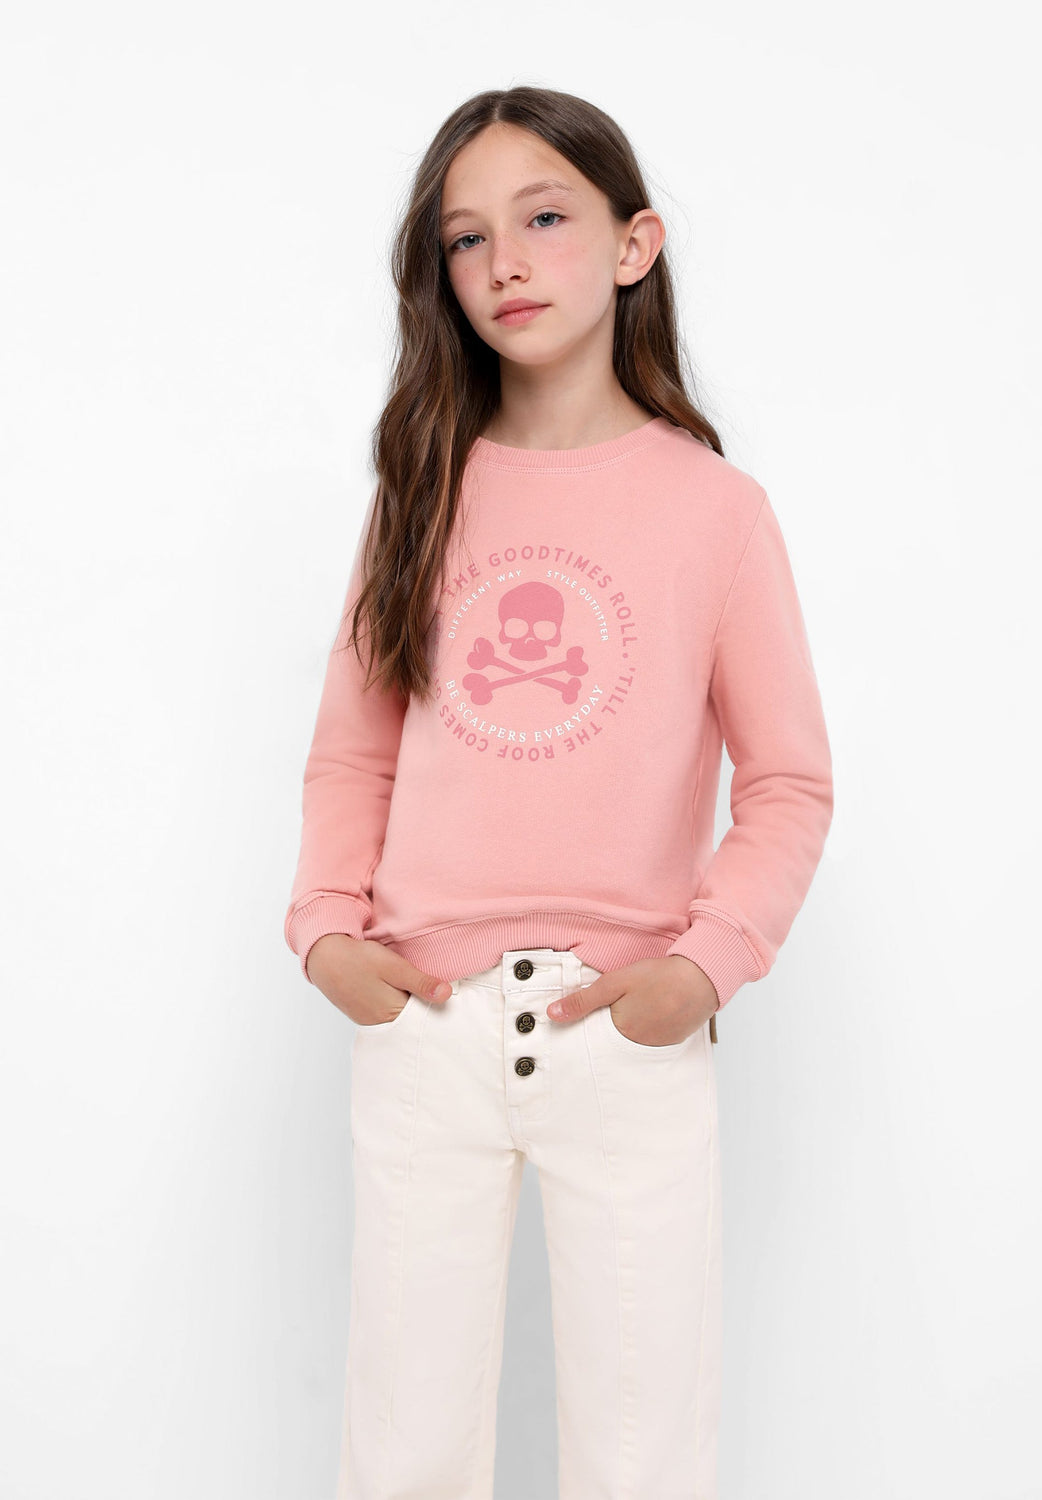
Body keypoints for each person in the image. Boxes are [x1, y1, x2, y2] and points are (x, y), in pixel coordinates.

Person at [283, 84, 833, 1500]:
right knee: (404, 1445)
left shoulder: (715, 512)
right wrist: (328, 932)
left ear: (635, 244)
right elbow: (354, 749)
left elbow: (785, 780)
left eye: (544, 219)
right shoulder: (418, 491)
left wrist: (703, 966)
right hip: (428, 1023)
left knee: (642, 1450)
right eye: (466, 238)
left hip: (624, 1031)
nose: (504, 264)